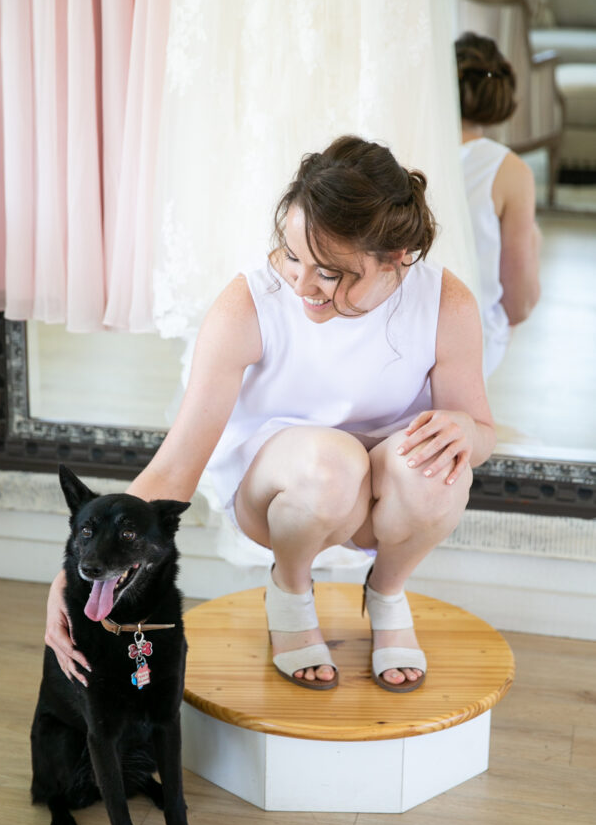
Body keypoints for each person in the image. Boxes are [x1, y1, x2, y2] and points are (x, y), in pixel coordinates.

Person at [45, 135, 496, 694]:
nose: (301, 285)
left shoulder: (445, 303)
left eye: (329, 272)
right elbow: (175, 466)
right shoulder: (247, 305)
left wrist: (465, 431)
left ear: (397, 258)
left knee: (440, 468)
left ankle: (387, 591)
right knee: (333, 461)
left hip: (384, 503)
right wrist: (74, 570)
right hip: (283, 495)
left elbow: (480, 433)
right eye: (290, 254)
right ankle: (289, 587)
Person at [456, 32, 541, 377]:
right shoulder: (510, 170)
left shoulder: (401, 148)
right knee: (531, 235)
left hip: (391, 330)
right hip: (469, 340)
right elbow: (518, 304)